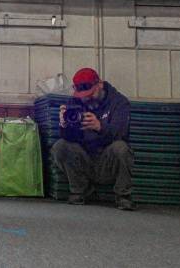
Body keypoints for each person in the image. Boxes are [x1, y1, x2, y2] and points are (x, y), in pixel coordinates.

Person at [51, 68, 135, 211]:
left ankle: (123, 195)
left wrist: (100, 126)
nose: (87, 98)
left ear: (100, 84)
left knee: (121, 148)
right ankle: (80, 190)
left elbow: (121, 133)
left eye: (90, 94)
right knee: (60, 146)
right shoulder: (74, 102)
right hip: (84, 158)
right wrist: (64, 125)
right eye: (83, 95)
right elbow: (70, 139)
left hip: (107, 160)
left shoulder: (119, 102)